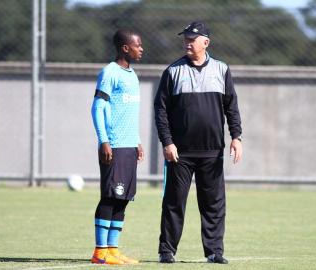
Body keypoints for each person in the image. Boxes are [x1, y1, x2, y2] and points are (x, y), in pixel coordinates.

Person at [154, 21, 243, 264]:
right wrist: (167, 142)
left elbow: (231, 107)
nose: (187, 42)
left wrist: (236, 136)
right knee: (174, 202)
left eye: (192, 39)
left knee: (213, 204)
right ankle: (167, 250)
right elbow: (160, 111)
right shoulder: (172, 71)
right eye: (185, 39)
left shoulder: (222, 70)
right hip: (179, 152)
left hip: (213, 151)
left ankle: (214, 252)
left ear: (206, 42)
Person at [90, 29, 144, 265]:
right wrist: (104, 140)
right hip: (114, 145)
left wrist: (137, 140)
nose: (141, 49)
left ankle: (113, 250)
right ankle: (100, 251)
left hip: (129, 146)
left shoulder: (132, 75)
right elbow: (97, 108)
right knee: (110, 197)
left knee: (123, 199)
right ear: (125, 48)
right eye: (137, 45)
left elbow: (128, 113)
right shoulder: (109, 73)